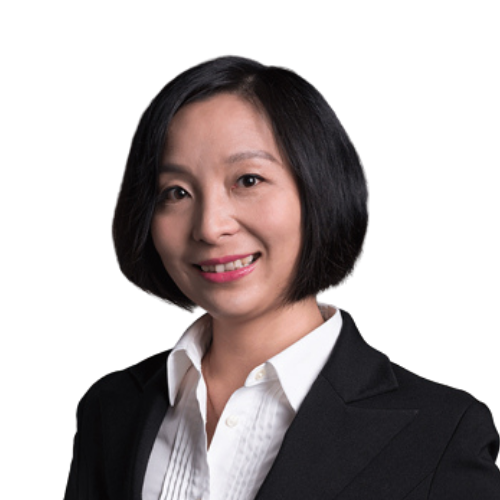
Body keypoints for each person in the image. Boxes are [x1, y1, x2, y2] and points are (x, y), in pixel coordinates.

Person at [64, 54, 500, 500]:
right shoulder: (109, 411)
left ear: (320, 188)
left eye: (248, 180)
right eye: (176, 192)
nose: (210, 227)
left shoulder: (443, 436)